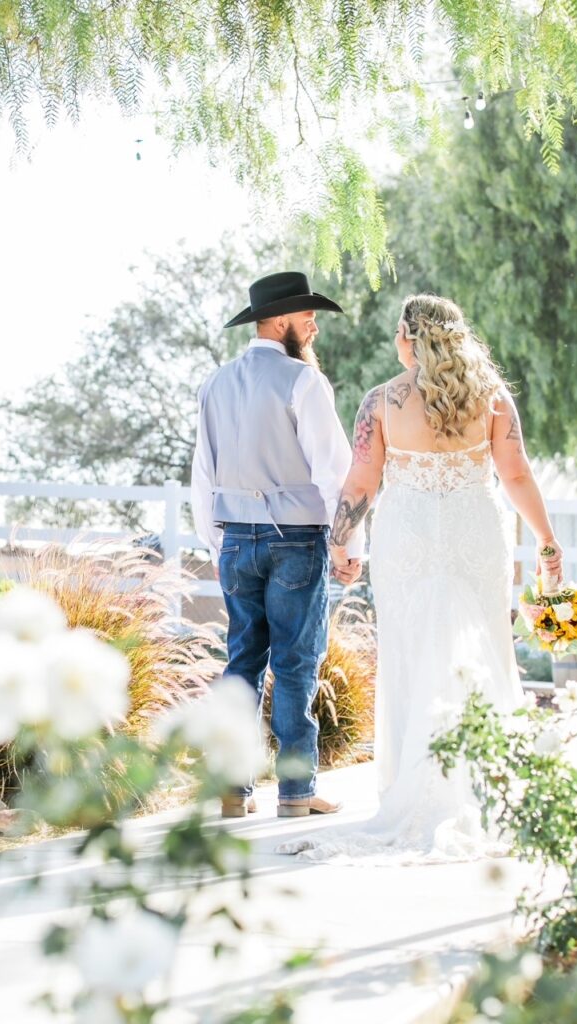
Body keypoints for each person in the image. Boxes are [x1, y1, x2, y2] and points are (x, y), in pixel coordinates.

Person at [277, 293, 563, 863]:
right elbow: (516, 473)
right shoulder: (492, 397)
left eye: (396, 331)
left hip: (405, 537)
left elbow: (359, 483)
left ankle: (414, 783)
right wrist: (547, 540)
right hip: (476, 532)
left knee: (411, 652)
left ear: (410, 335)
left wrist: (340, 543)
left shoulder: (382, 402)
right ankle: (486, 783)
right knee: (483, 645)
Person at [191, 271, 364, 819]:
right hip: (297, 540)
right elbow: (335, 474)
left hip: (235, 541)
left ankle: (231, 789)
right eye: (308, 316)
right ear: (281, 320)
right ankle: (295, 792)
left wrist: (218, 541)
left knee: (241, 662)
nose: (314, 326)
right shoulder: (303, 382)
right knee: (294, 664)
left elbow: (202, 475)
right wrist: (349, 543)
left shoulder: (214, 384)